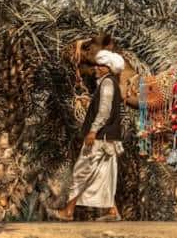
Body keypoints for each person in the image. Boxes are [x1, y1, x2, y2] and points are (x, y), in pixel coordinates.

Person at [50, 50, 125, 221]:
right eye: (96, 65)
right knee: (102, 174)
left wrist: (93, 131)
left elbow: (104, 111)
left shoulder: (107, 84)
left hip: (100, 139)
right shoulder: (110, 83)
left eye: (101, 66)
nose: (96, 68)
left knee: (81, 172)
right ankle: (113, 212)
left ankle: (68, 211)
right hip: (108, 139)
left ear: (108, 68)